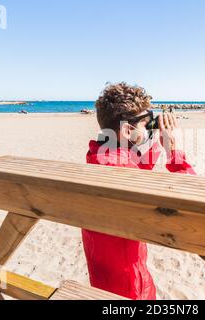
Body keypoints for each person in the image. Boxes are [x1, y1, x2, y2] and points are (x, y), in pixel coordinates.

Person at [83, 82, 196, 300]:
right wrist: (174, 150)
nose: (148, 129)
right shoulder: (121, 172)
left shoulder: (98, 158)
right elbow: (190, 202)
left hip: (102, 279)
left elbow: (136, 168)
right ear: (127, 129)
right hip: (130, 286)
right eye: (145, 124)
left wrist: (151, 136)